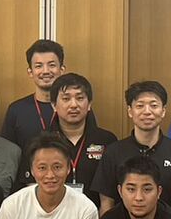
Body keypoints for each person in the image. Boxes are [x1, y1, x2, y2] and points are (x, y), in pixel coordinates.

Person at [91, 81, 171, 214]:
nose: (147, 112)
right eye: (140, 106)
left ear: (163, 111)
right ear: (130, 111)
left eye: (154, 105)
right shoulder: (113, 152)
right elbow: (106, 203)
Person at [14, 74, 116, 210]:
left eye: (80, 98)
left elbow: (108, 197)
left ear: (89, 104)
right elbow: (31, 189)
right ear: (54, 105)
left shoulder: (106, 140)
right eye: (66, 98)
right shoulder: (39, 142)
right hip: (50, 216)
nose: (73, 105)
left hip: (94, 216)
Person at [0, 39, 66, 148]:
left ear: (62, 70)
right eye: (39, 66)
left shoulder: (76, 108)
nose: (46, 71)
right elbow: (7, 152)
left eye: (52, 65)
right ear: (30, 72)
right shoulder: (16, 110)